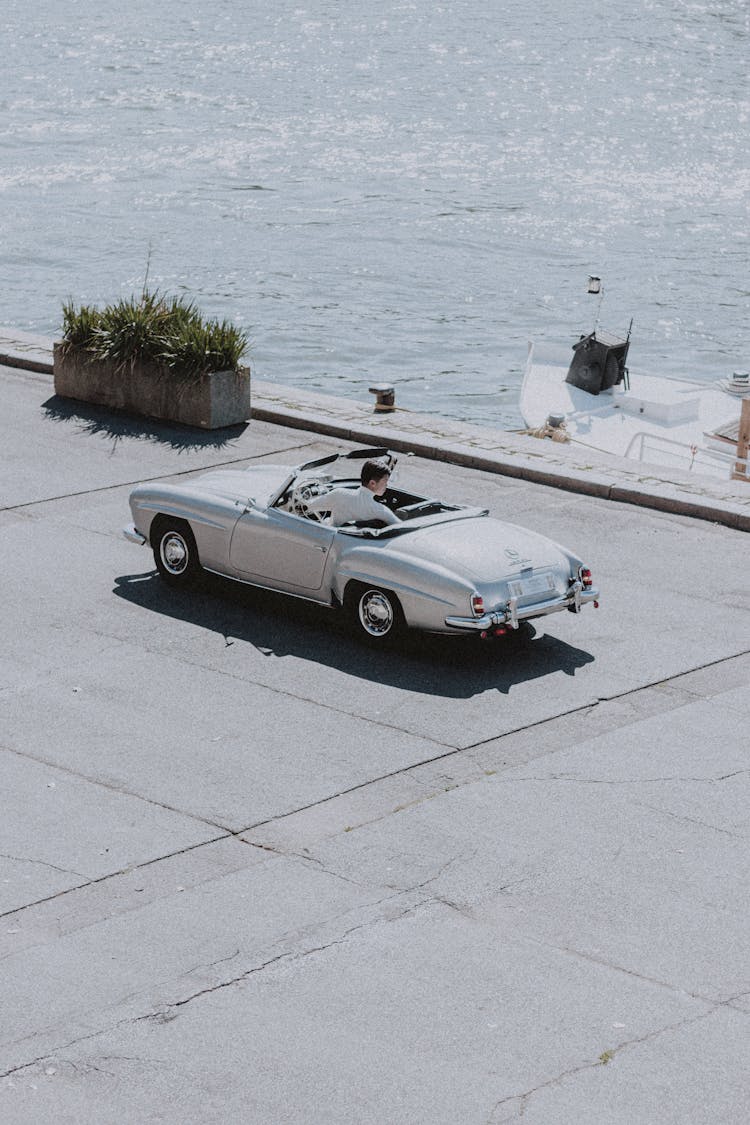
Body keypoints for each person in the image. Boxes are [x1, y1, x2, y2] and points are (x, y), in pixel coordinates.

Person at [306, 460, 401, 527]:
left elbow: (309, 507)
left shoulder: (339, 494)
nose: (386, 485)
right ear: (372, 483)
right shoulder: (380, 509)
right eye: (385, 482)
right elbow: (400, 526)